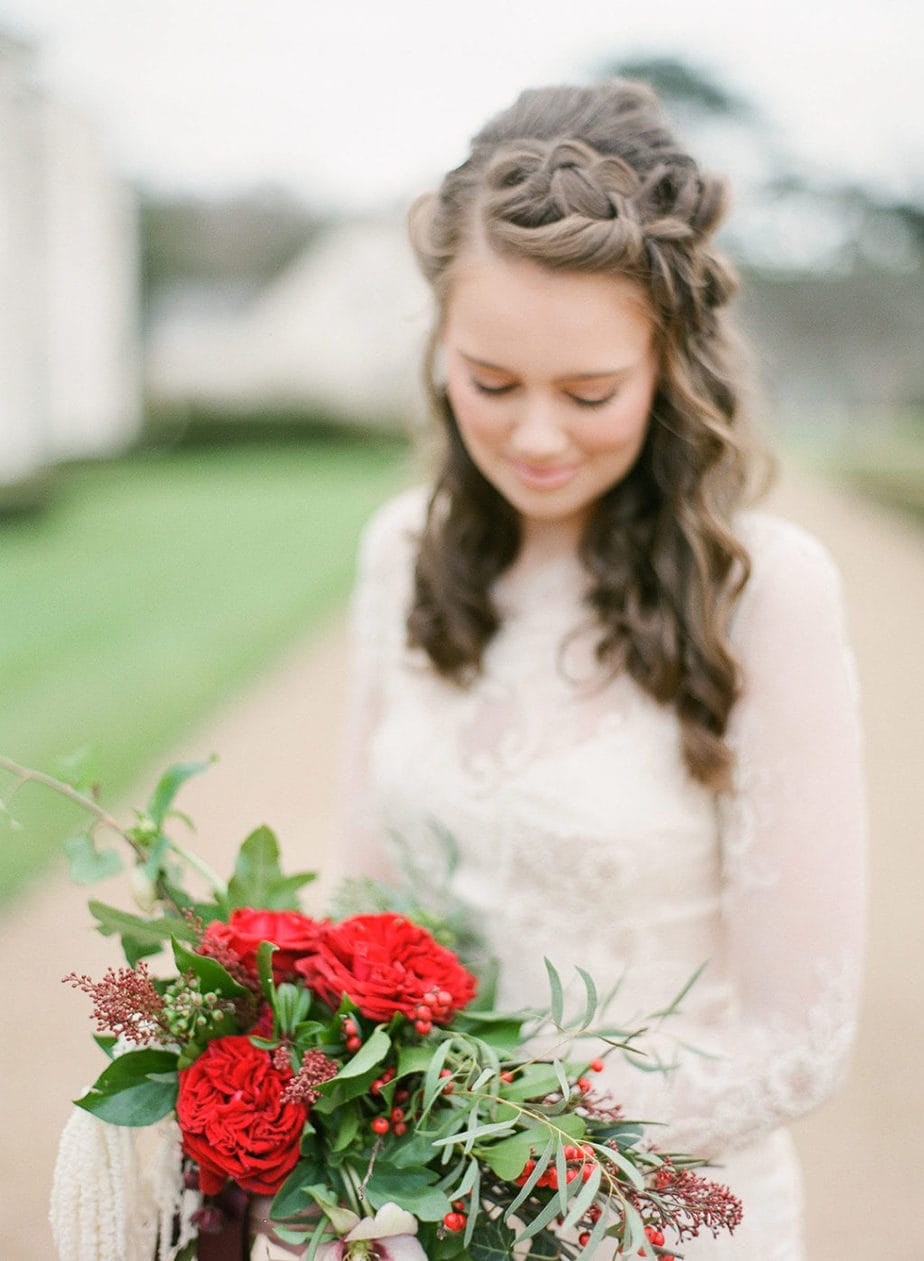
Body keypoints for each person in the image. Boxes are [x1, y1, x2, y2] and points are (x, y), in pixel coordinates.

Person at [336, 81, 866, 1259]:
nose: (534, 436)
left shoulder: (766, 592)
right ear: (438, 347)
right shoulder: (397, 557)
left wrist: (486, 1143)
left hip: (656, 1220)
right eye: (489, 381)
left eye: (589, 394)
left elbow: (800, 1038)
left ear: (673, 365)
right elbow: (358, 902)